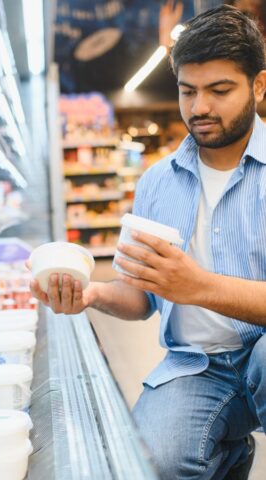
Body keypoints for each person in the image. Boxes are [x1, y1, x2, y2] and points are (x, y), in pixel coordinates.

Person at [30, 5, 266, 480]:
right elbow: (140, 298)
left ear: (258, 86)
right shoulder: (157, 183)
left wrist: (196, 286)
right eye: (187, 90)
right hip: (195, 366)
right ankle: (227, 452)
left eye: (219, 90)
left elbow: (190, 288)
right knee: (152, 462)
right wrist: (90, 293)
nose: (199, 107)